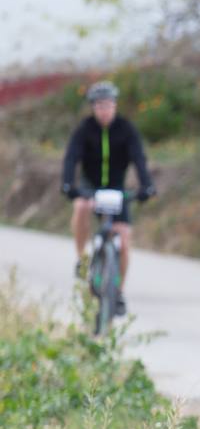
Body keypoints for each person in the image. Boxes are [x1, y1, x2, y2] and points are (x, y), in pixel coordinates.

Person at [60, 80, 156, 314]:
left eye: (109, 105)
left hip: (117, 189)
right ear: (93, 107)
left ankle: (118, 292)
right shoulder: (84, 129)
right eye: (100, 105)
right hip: (90, 186)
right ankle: (82, 259)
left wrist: (147, 186)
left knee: (123, 241)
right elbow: (71, 157)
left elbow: (139, 159)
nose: (104, 110)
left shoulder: (126, 129)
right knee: (81, 206)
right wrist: (68, 183)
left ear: (115, 106)